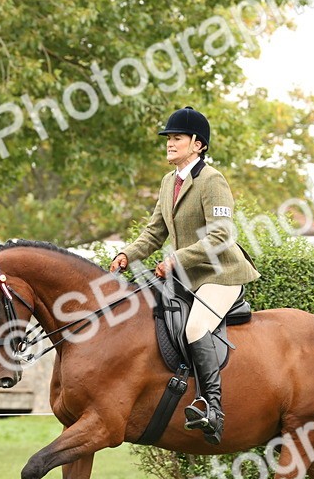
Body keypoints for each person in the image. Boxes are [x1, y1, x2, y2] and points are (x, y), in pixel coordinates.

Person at [109, 107, 259, 445]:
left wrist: (177, 258)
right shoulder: (168, 183)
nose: (170, 143)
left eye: (177, 138)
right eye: (169, 138)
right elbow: (153, 233)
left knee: (194, 326)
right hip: (187, 277)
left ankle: (213, 409)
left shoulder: (212, 180)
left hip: (220, 275)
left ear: (198, 144)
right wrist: (126, 255)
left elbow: (222, 236)